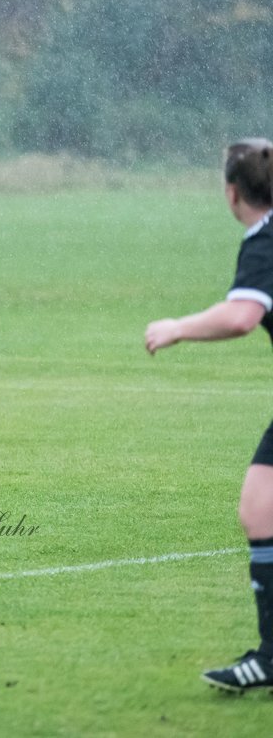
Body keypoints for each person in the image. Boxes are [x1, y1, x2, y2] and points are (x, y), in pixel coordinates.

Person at [145, 137, 273, 693]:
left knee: (260, 511)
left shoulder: (263, 242)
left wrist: (175, 327)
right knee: (261, 511)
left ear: (230, 192)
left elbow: (242, 315)